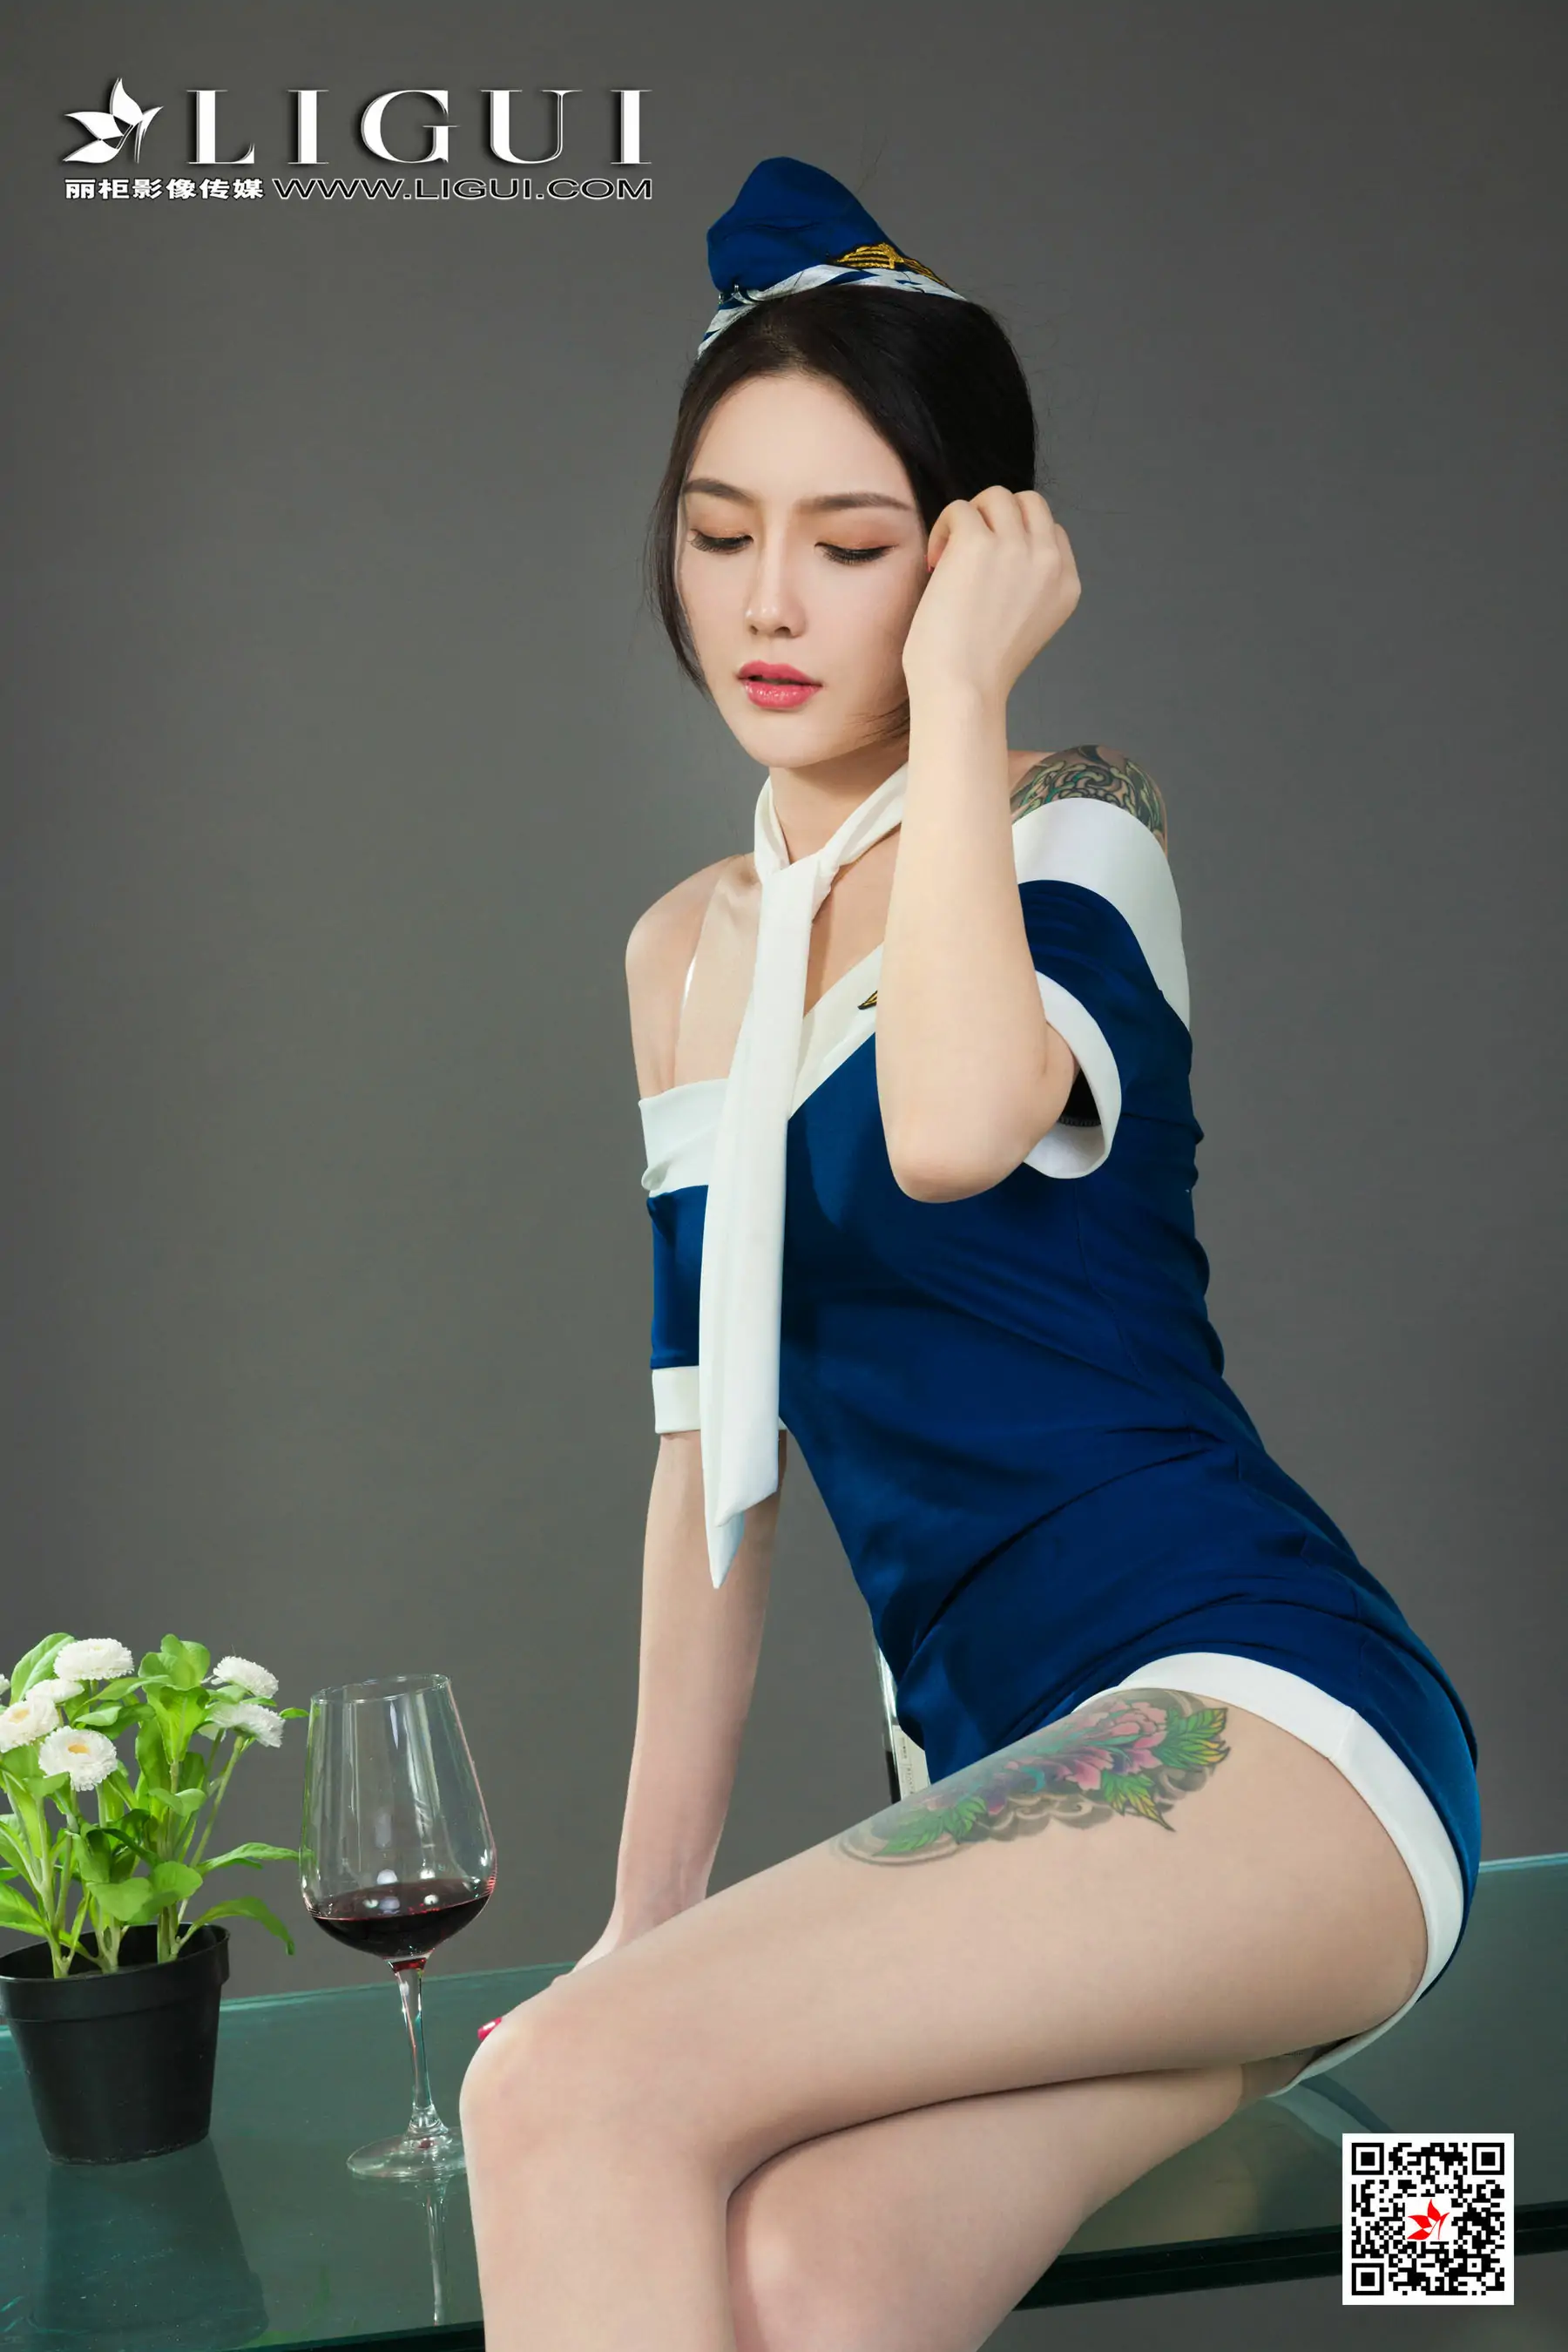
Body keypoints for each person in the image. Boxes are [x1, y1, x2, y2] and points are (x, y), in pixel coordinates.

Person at [461, 156, 1483, 2350]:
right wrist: (642, 1924)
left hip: (1271, 1733)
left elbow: (943, 1132)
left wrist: (957, 700)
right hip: (1007, 1816)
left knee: (556, 2099)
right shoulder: (681, 959)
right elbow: (710, 1473)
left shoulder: (1069, 830)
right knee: (804, 2279)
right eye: (720, 533)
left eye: (852, 548)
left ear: (967, 558)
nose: (770, 604)